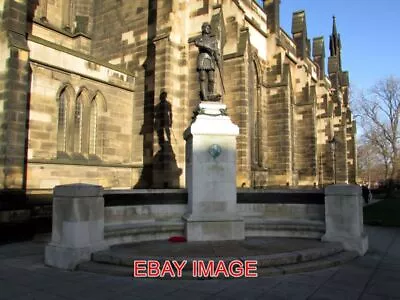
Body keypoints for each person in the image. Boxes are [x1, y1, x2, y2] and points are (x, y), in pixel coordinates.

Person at [195, 22, 221, 101]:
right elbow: (197, 43)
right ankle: (204, 96)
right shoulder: (200, 38)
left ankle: (210, 94)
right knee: (202, 78)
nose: (208, 28)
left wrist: (217, 58)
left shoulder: (213, 40)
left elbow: (216, 51)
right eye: (207, 27)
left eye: (209, 27)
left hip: (210, 59)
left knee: (211, 79)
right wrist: (207, 46)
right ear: (203, 28)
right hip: (202, 58)